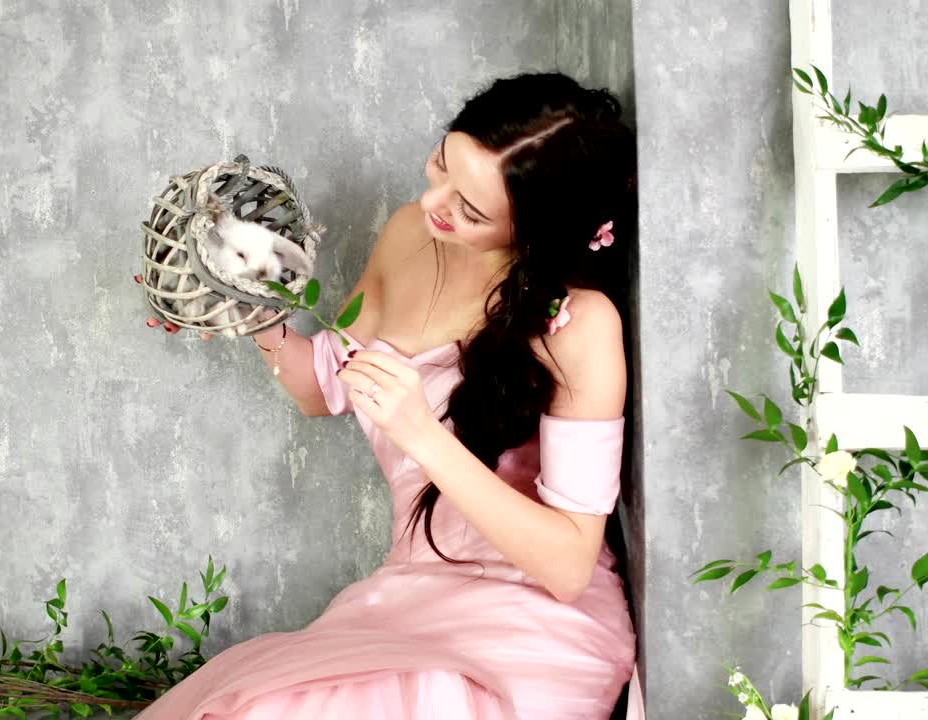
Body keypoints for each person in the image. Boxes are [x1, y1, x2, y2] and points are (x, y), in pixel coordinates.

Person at [138, 72, 642, 720]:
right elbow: (324, 384)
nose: (437, 202)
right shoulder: (409, 231)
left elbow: (569, 566)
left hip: (535, 626)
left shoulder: (578, 324)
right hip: (410, 596)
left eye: (473, 209)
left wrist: (423, 435)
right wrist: (254, 308)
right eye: (442, 165)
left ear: (533, 229)